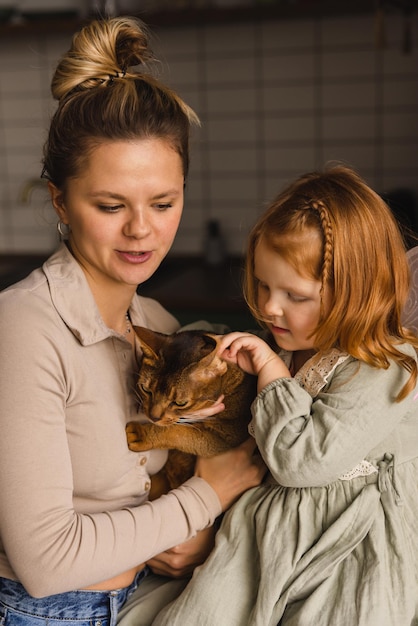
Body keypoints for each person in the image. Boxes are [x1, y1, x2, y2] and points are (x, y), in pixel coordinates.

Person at [0, 16, 265, 626]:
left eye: (164, 203)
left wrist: (190, 537)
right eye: (111, 205)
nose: (142, 230)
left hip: (139, 599)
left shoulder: (158, 324)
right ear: (60, 201)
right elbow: (45, 560)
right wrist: (209, 494)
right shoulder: (25, 329)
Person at [152, 164, 418, 626]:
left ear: (356, 293)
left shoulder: (387, 364)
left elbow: (302, 462)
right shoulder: (290, 343)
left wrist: (272, 374)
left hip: (346, 544)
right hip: (265, 529)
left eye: (294, 296)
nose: (270, 307)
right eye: (262, 284)